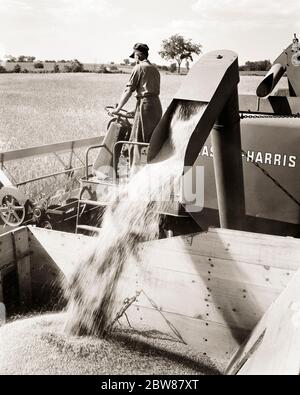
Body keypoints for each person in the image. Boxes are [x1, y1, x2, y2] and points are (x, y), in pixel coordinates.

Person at [110, 43, 162, 171]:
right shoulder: (155, 69)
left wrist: (117, 109)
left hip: (145, 106)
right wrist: (135, 110)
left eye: (134, 56)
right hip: (155, 106)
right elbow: (150, 92)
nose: (134, 59)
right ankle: (150, 168)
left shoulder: (138, 68)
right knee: (151, 140)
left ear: (138, 55)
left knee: (137, 140)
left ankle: (136, 172)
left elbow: (129, 91)